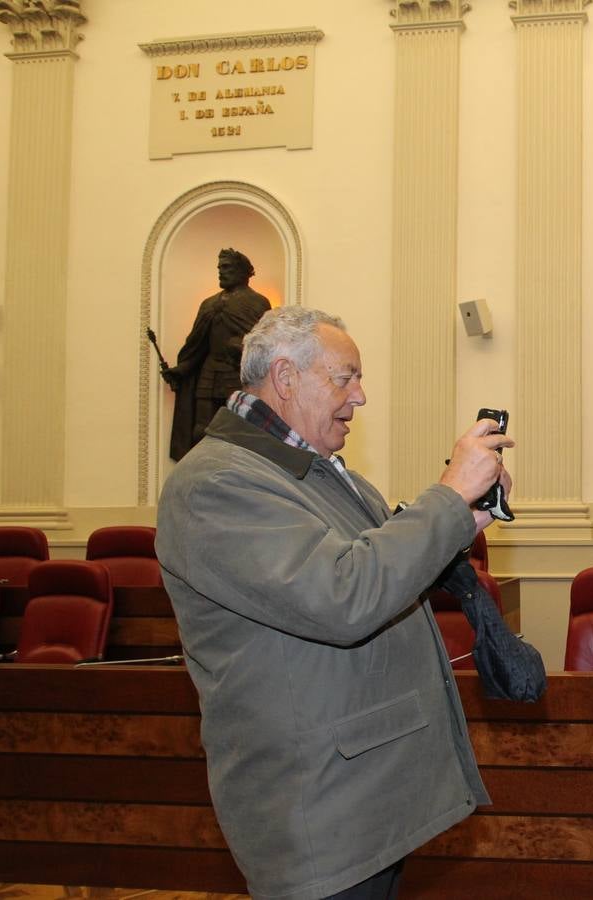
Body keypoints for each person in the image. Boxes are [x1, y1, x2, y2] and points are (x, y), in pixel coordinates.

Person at [156, 306, 513, 900]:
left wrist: (464, 516)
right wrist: (448, 494)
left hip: (361, 793)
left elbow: (379, 569)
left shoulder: (314, 472)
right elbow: (345, 596)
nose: (361, 396)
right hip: (317, 809)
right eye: (345, 376)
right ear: (286, 379)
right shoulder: (215, 484)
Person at [162, 248, 273, 461]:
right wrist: (182, 369)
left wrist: (240, 346)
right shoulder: (209, 304)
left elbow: (265, 346)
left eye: (226, 267)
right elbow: (197, 345)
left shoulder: (258, 303)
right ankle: (202, 468)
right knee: (202, 430)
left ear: (242, 271)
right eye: (219, 268)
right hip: (209, 374)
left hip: (238, 377)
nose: (221, 272)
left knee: (240, 430)